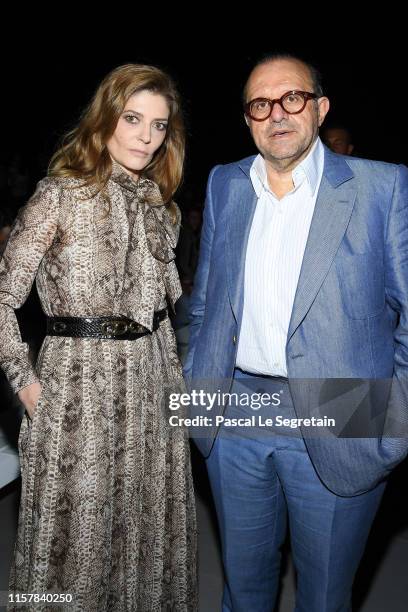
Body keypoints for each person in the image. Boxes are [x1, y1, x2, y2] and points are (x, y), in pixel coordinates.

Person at [184, 53, 408, 611]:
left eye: (293, 98)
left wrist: (393, 421)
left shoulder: (383, 187)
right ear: (247, 118)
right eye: (261, 104)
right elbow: (206, 300)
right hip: (234, 410)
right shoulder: (225, 184)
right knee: (244, 587)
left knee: (326, 595)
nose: (277, 113)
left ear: (320, 107)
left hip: (344, 407)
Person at [0, 63, 197, 611]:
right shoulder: (58, 196)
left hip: (153, 390)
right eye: (133, 119)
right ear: (105, 118)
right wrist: (26, 382)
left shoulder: (166, 211)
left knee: (146, 535)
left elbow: (162, 313)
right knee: (78, 550)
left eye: (159, 125)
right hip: (77, 390)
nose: (146, 136)